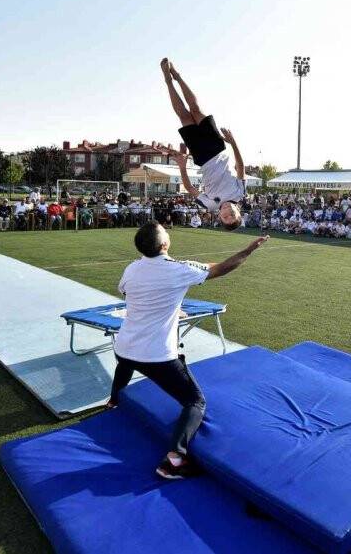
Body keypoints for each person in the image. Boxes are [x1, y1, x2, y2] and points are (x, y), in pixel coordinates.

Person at [108, 222, 268, 479]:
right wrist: (248, 250)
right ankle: (174, 459)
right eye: (165, 232)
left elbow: (130, 293)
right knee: (195, 401)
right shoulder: (179, 270)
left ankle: (114, 401)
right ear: (164, 244)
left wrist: (170, 306)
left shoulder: (132, 268)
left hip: (124, 346)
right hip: (156, 356)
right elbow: (222, 268)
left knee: (125, 362)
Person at [161, 58, 246, 230]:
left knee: (184, 116)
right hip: (217, 148)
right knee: (196, 109)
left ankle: (168, 81)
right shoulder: (240, 193)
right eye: (233, 215)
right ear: (239, 212)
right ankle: (177, 75)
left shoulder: (210, 205)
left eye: (225, 217)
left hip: (201, 156)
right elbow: (240, 167)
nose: (228, 213)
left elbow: (189, 188)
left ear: (219, 217)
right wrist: (233, 143)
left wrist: (182, 167)